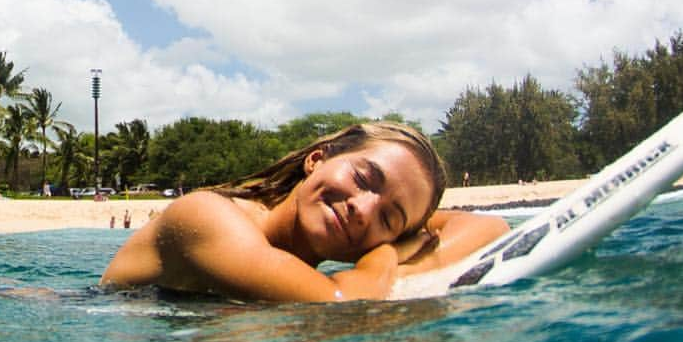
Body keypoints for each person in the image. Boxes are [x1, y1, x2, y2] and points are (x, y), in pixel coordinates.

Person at [100, 120, 507, 304]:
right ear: (316, 159)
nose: (364, 211)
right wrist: (390, 253)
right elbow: (343, 298)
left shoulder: (291, 265)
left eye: (388, 218)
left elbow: (491, 226)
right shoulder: (206, 216)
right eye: (364, 179)